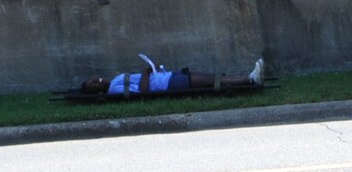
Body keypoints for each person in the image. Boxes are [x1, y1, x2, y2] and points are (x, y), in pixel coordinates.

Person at [77, 54, 264, 97]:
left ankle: (248, 78)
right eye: (93, 84)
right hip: (167, 84)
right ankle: (250, 79)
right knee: (211, 81)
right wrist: (146, 72)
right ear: (97, 92)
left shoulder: (116, 80)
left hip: (166, 77)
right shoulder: (114, 90)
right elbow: (142, 91)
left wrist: (154, 69)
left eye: (93, 79)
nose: (96, 80)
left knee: (212, 77)